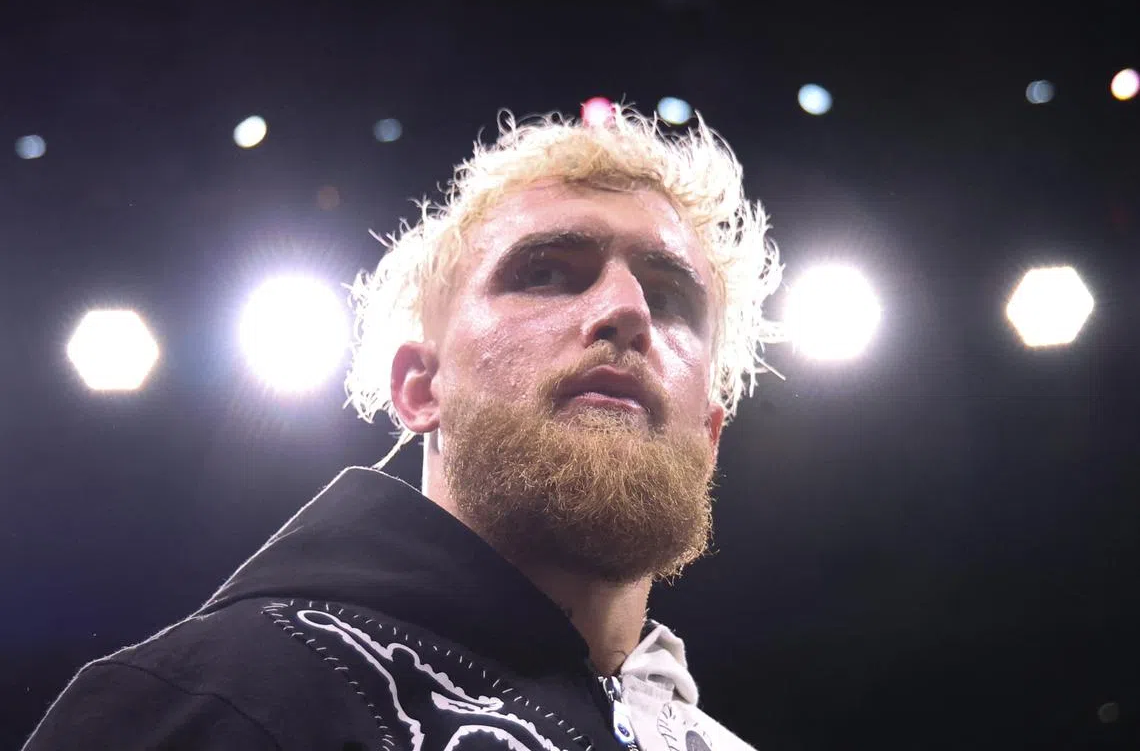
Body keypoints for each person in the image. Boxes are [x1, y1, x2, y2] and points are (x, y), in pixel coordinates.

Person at [23, 104, 783, 751]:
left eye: (671, 296)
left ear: (709, 435)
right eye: (547, 271)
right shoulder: (211, 698)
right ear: (421, 387)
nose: (627, 312)